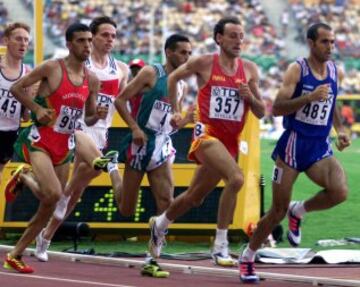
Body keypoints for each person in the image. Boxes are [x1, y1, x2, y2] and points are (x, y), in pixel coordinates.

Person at [147, 17, 265, 268]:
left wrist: (249, 97)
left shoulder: (251, 69)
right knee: (236, 179)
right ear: (219, 38)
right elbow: (172, 79)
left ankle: (160, 224)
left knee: (194, 197)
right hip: (206, 135)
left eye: (241, 36)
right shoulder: (204, 63)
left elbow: (261, 111)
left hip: (230, 141)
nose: (238, 41)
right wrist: (176, 111)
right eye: (233, 35)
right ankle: (220, 246)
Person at [239, 23, 351, 283]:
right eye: (325, 42)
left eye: (333, 42)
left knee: (340, 192)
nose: (330, 47)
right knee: (276, 210)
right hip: (293, 145)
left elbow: (331, 102)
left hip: (319, 145)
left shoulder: (334, 70)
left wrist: (340, 130)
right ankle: (247, 257)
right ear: (311, 43)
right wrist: (308, 98)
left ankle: (299, 211)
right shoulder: (297, 70)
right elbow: (277, 108)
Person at [3, 22, 104, 273]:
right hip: (40, 140)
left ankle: (15, 252)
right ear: (69, 44)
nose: (87, 46)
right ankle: (17, 253)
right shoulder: (52, 68)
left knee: (53, 199)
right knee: (52, 193)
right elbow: (17, 88)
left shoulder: (92, 79)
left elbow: (88, 117)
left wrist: (98, 115)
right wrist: (37, 108)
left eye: (90, 40)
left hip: (64, 144)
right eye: (81, 41)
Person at [33, 16, 129, 262]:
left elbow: (120, 101)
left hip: (98, 130)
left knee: (71, 193)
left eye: (113, 36)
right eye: (104, 35)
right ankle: (111, 165)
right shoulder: (76, 66)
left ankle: (45, 236)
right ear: (91, 37)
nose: (109, 40)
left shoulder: (121, 69)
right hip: (71, 128)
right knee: (94, 165)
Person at [114, 34, 192, 277]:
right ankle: (111, 169)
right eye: (182, 52)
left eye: (189, 53)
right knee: (126, 209)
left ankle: (153, 258)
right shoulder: (151, 73)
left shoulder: (182, 84)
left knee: (167, 203)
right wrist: (135, 128)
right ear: (168, 52)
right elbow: (120, 100)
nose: (186, 57)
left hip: (161, 144)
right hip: (140, 143)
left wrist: (186, 118)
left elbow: (173, 121)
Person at [0, 22, 32, 193]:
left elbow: (26, 117)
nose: (23, 43)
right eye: (18, 39)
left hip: (9, 132)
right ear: (6, 41)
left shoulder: (28, 74)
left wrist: (28, 98)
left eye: (26, 40)